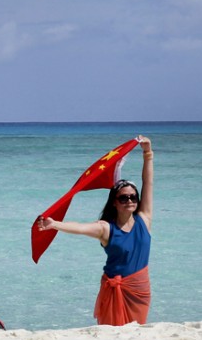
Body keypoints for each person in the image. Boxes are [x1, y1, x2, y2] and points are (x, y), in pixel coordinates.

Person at [37, 137, 153, 325]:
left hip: (139, 288)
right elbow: (81, 228)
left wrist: (148, 155)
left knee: (139, 329)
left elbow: (148, 184)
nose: (130, 201)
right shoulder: (106, 228)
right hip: (115, 288)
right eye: (124, 198)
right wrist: (55, 224)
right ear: (115, 202)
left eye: (133, 197)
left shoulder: (144, 219)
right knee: (113, 334)